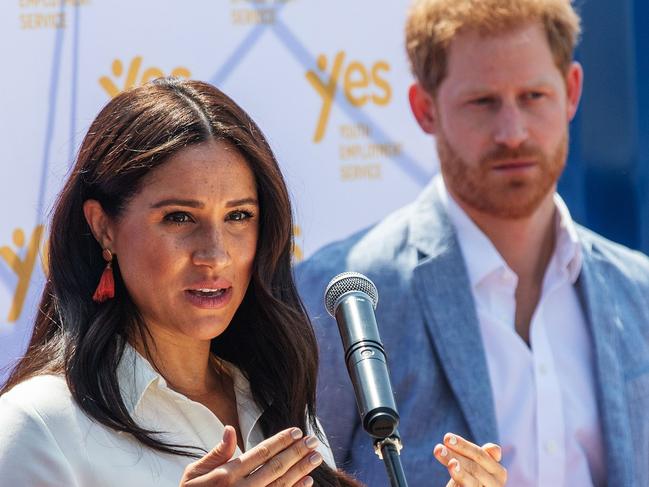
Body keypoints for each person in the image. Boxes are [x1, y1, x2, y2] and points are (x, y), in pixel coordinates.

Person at [0, 78, 502, 487]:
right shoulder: (37, 424)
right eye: (178, 218)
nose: (215, 253)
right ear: (103, 227)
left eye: (239, 216)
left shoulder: (272, 402)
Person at [296, 1, 649, 486]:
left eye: (533, 96)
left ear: (571, 92)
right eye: (483, 102)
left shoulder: (640, 291)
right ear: (425, 109)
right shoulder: (339, 299)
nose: (513, 132)